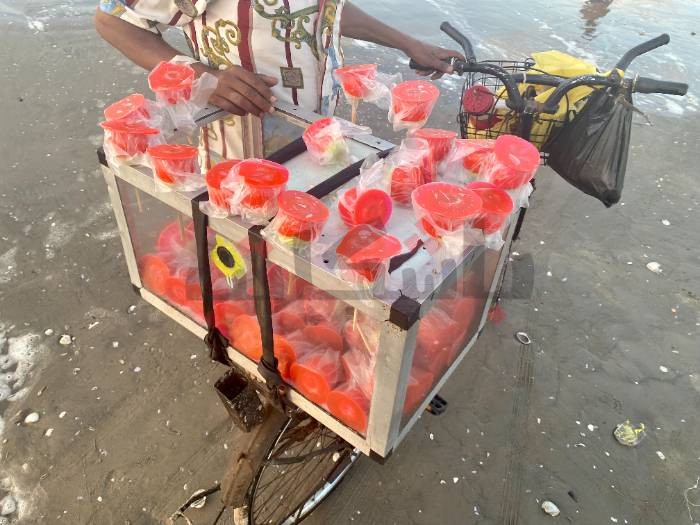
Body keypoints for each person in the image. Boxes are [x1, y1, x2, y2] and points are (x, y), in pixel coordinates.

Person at [95, 0, 463, 163]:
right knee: (246, 248)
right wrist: (204, 79)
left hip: (318, 130)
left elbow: (326, 9)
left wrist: (408, 44)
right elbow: (114, 20)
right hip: (241, 141)